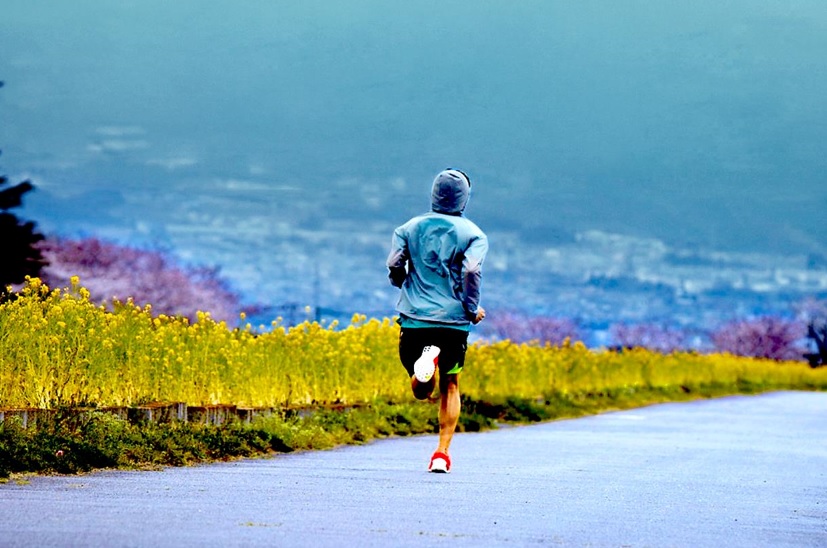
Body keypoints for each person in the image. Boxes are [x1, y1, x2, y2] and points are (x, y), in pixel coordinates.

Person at [386, 168, 488, 473]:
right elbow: (471, 272)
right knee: (451, 384)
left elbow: (394, 263)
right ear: (465, 198)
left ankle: (424, 368)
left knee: (420, 391)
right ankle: (441, 454)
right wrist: (471, 309)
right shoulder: (474, 235)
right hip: (454, 322)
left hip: (415, 318)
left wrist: (400, 281)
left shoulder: (408, 228)